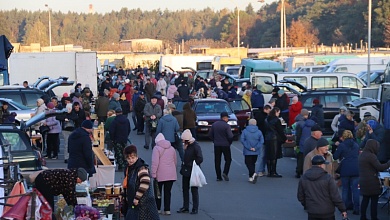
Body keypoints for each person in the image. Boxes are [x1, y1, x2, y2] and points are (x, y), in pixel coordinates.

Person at [297, 155, 348, 220]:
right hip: (327, 212)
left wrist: (308, 205)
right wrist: (343, 210)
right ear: (321, 165)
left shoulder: (304, 177)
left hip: (312, 212)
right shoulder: (328, 178)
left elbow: (300, 196)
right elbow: (335, 197)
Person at [123, 145, 160, 220]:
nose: (131, 160)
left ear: (137, 156)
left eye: (133, 158)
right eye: (128, 158)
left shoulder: (141, 168)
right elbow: (127, 183)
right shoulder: (129, 168)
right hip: (136, 204)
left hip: (144, 204)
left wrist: (137, 198)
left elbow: (145, 182)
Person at [359, 139, 390, 220]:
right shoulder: (371, 156)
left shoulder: (362, 155)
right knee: (374, 201)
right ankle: (374, 217)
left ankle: (363, 217)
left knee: (365, 200)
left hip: (363, 180)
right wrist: (388, 163)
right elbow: (380, 167)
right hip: (372, 182)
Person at [333, 130, 360, 215]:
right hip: (356, 169)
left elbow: (335, 156)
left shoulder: (342, 145)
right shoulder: (356, 145)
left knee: (345, 189)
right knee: (355, 190)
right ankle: (356, 209)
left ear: (343, 137)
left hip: (345, 169)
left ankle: (344, 208)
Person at [177, 129, 203, 215]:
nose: (182, 141)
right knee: (185, 189)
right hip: (186, 170)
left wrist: (190, 164)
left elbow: (200, 158)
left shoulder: (195, 146)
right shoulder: (187, 145)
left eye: (183, 139)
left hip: (193, 171)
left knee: (194, 190)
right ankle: (186, 206)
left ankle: (195, 208)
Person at [151, 134, 177, 215]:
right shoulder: (172, 148)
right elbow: (175, 161)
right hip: (171, 174)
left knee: (158, 193)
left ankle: (158, 209)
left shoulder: (156, 148)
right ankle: (167, 209)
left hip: (160, 174)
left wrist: (153, 174)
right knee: (168, 192)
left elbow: (155, 162)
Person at [208, 112, 234, 181]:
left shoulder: (214, 125)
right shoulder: (227, 126)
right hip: (225, 145)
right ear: (225, 118)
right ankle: (225, 172)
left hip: (217, 145)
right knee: (228, 159)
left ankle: (218, 177)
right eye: (227, 118)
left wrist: (214, 140)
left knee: (217, 161)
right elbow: (230, 136)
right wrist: (229, 142)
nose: (228, 119)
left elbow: (210, 135)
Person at [264, 107, 287, 177]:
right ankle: (273, 171)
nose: (279, 114)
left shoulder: (266, 119)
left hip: (267, 138)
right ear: (276, 112)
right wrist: (284, 138)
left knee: (268, 156)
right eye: (278, 113)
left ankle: (269, 171)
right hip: (274, 138)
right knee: (274, 156)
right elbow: (280, 130)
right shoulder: (276, 120)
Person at [295, 109, 317, 178]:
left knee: (301, 157)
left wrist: (297, 143)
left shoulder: (300, 124)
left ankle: (299, 171)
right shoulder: (313, 124)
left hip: (302, 142)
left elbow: (298, 134)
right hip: (312, 141)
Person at [241, 119, 264, 184]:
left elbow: (242, 140)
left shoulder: (245, 131)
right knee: (253, 163)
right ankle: (251, 177)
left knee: (248, 163)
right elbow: (261, 141)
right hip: (256, 151)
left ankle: (252, 174)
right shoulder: (259, 132)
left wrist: (249, 147)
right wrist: (256, 148)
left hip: (247, 150)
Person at [255, 104, 272, 176]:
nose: (269, 112)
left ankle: (262, 170)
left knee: (263, 154)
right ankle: (259, 170)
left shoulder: (258, 115)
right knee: (262, 155)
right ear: (265, 109)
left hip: (260, 137)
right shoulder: (265, 118)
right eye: (269, 110)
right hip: (264, 137)